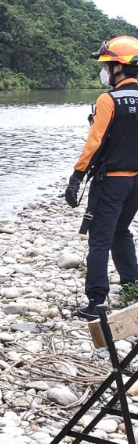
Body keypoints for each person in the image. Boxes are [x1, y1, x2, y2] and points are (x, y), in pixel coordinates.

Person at [65, 35, 138, 319]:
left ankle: (96, 302)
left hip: (112, 182)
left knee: (99, 239)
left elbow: (93, 143)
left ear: (119, 68)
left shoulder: (108, 100)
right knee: (121, 232)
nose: (104, 71)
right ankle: (133, 289)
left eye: (107, 65)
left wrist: (76, 177)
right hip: (136, 183)